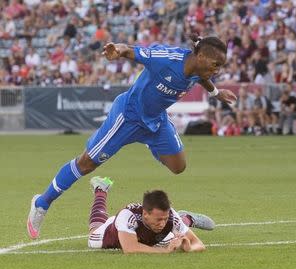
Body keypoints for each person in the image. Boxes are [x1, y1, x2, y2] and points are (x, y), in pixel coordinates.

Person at [27, 35, 237, 239]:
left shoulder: (199, 70)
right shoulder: (166, 59)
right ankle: (42, 203)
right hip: (128, 116)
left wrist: (216, 93)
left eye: (220, 66)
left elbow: (201, 78)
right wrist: (117, 50)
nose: (217, 70)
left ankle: (178, 210)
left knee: (178, 166)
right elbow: (131, 50)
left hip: (156, 121)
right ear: (200, 57)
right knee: (87, 163)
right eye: (215, 64)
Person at [88, 176, 213, 253]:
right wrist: (165, 252)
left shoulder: (171, 216)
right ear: (145, 214)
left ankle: (185, 220)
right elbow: (130, 249)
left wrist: (189, 248)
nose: (162, 224)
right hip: (112, 236)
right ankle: (101, 190)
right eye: (158, 219)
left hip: (152, 240)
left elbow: (199, 244)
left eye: (165, 219)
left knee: (172, 238)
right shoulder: (128, 215)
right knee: (93, 234)